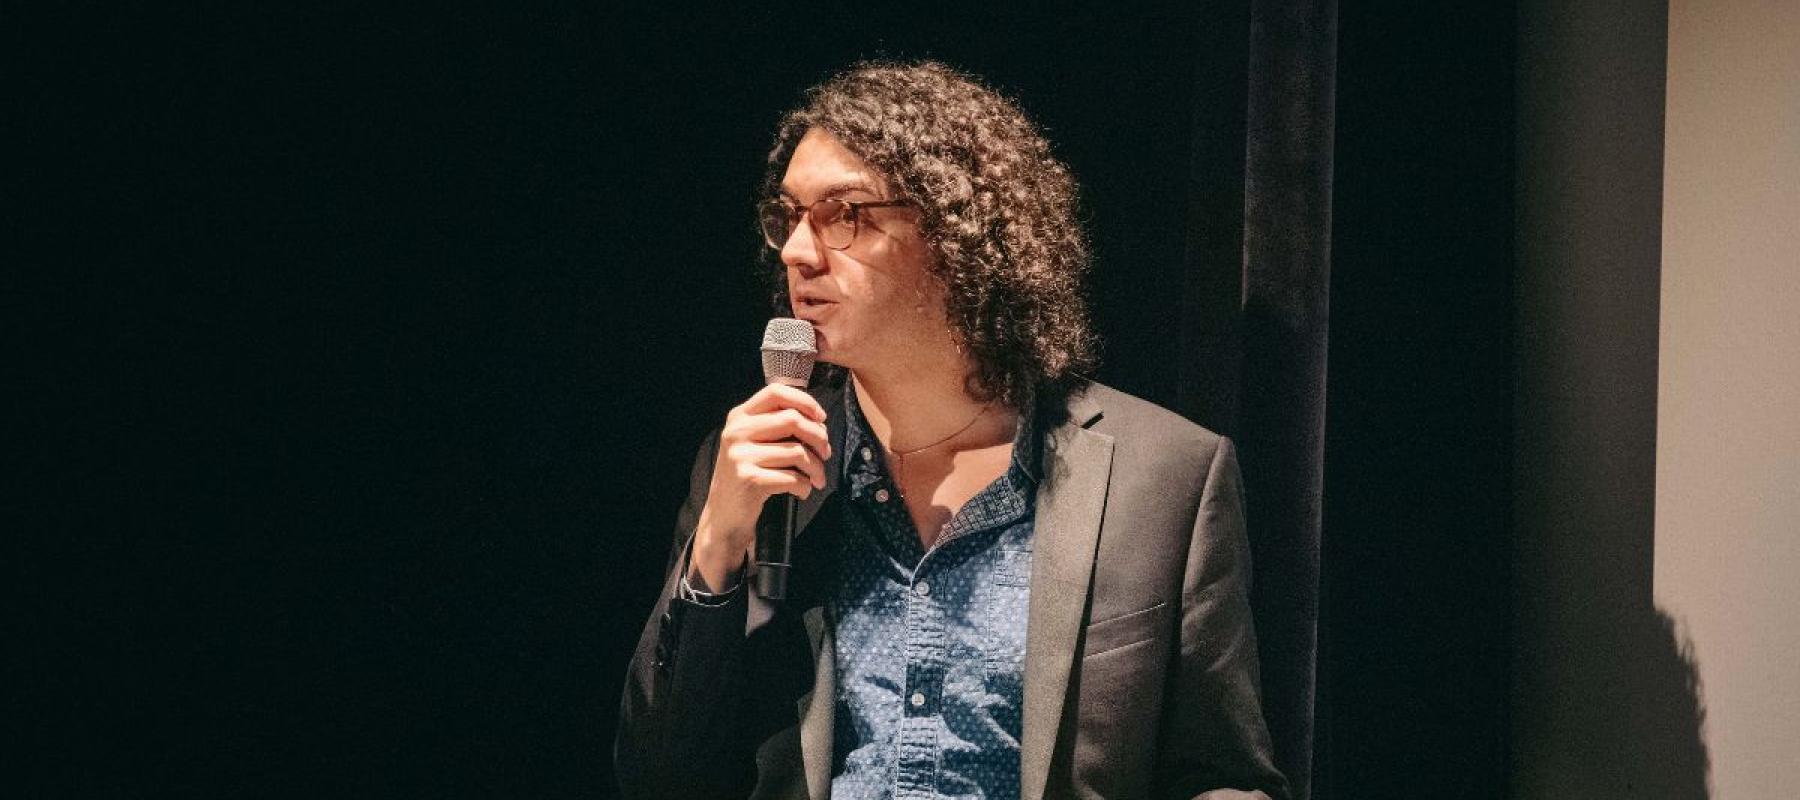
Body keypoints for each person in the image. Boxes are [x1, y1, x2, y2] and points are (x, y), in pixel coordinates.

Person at [616, 61, 1287, 800]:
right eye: (790, 217)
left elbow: (1221, 777)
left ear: (955, 231)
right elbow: (659, 778)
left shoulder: (1165, 475)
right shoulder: (763, 464)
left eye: (843, 215)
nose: (797, 252)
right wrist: (715, 548)